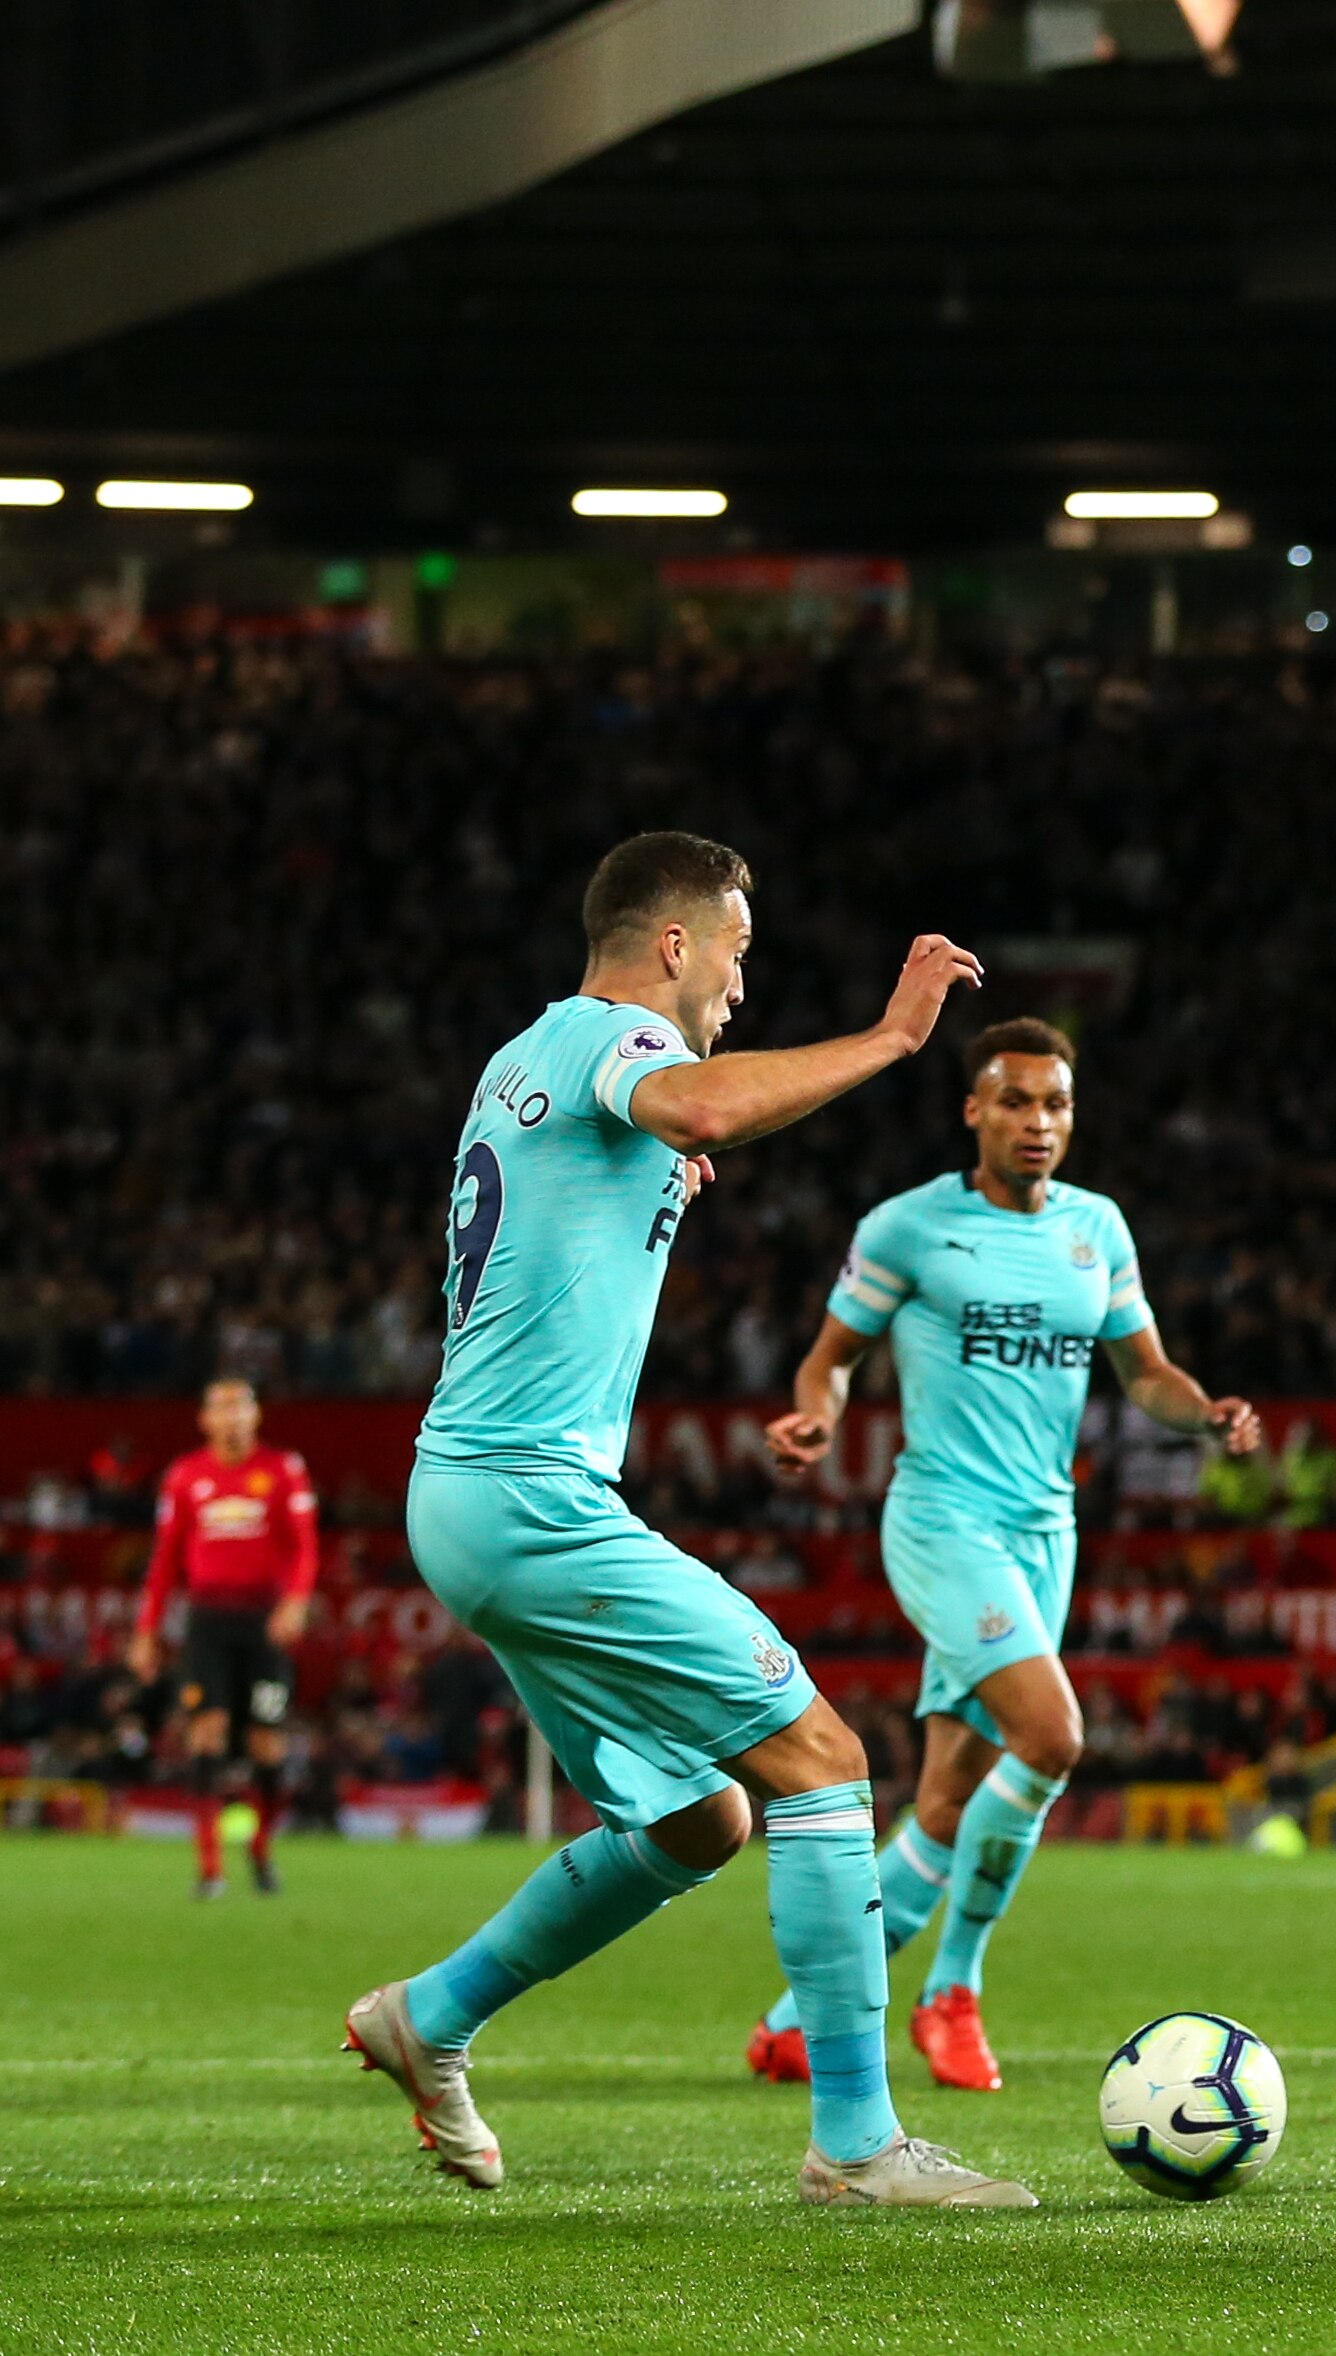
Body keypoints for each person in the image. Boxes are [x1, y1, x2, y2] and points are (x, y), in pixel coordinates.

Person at [343, 830, 1033, 2208]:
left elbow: (609, 1158)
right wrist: (894, 1038)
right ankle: (856, 2146)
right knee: (823, 1760)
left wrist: (651, 1162)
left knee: (698, 1821)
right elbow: (698, 1107)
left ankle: (431, 2014)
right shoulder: (620, 1040)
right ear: (672, 944)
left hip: (471, 1493)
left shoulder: (525, 1054)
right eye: (734, 950)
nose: (738, 981)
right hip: (527, 1494)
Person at [750, 1016, 1261, 2092]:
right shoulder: (908, 1228)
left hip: (1044, 1535)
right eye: (1016, 1101)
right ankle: (952, 1991)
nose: (1037, 1121)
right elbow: (831, 1358)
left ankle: (800, 2021)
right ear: (973, 1110)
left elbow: (1147, 1372)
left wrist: (1207, 1412)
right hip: (943, 1521)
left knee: (949, 1795)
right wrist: (815, 1418)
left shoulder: (1096, 1229)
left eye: (1055, 1104)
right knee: (1052, 1735)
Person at [127, 1378, 317, 1898]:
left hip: (264, 1622)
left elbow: (304, 1546)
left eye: (240, 1407)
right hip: (208, 1622)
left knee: (266, 1743)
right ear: (204, 1419)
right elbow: (165, 1558)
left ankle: (261, 1848)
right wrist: (146, 1630)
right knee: (205, 1735)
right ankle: (210, 1869)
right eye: (222, 1408)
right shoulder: (186, 1476)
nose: (232, 1417)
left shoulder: (283, 1469)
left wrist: (295, 1601)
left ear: (256, 1416)